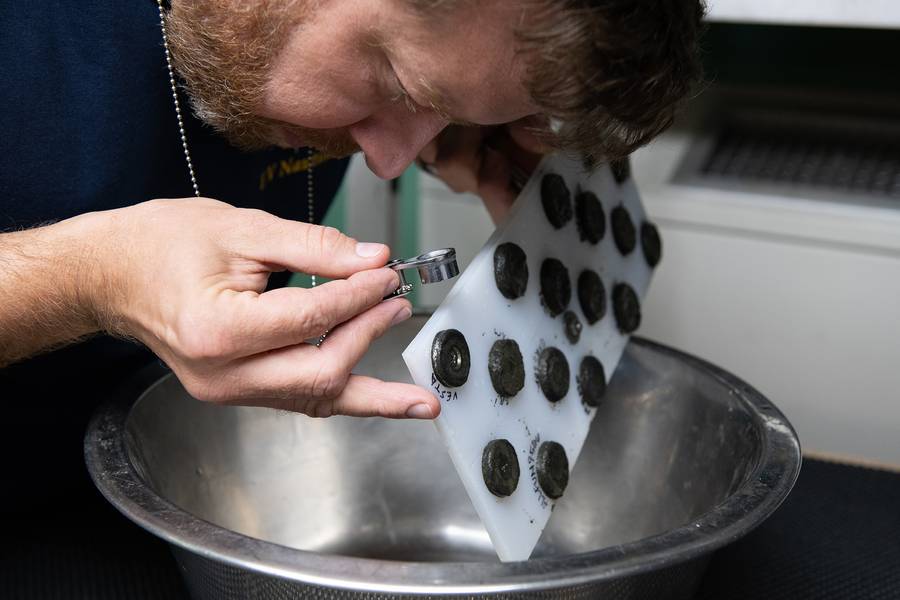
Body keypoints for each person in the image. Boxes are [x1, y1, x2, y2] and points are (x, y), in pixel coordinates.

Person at [0, 0, 703, 591]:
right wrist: (84, 276)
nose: (389, 160)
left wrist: (469, 106)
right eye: (395, 81)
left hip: (161, 512)